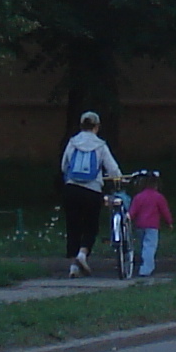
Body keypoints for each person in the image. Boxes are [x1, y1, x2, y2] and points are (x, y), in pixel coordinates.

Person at [57, 112, 122, 276]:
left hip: (71, 190)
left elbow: (64, 166)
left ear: (81, 125)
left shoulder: (72, 143)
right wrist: (117, 179)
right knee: (91, 225)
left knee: (73, 226)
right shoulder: (100, 145)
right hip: (92, 190)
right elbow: (112, 168)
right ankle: (83, 254)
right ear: (97, 127)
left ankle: (73, 266)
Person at [125, 172, 172, 279]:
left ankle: (143, 263)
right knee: (150, 246)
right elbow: (164, 211)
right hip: (152, 226)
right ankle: (146, 268)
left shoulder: (138, 197)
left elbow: (133, 211)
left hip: (140, 225)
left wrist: (129, 219)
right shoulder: (158, 197)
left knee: (143, 245)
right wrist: (169, 222)